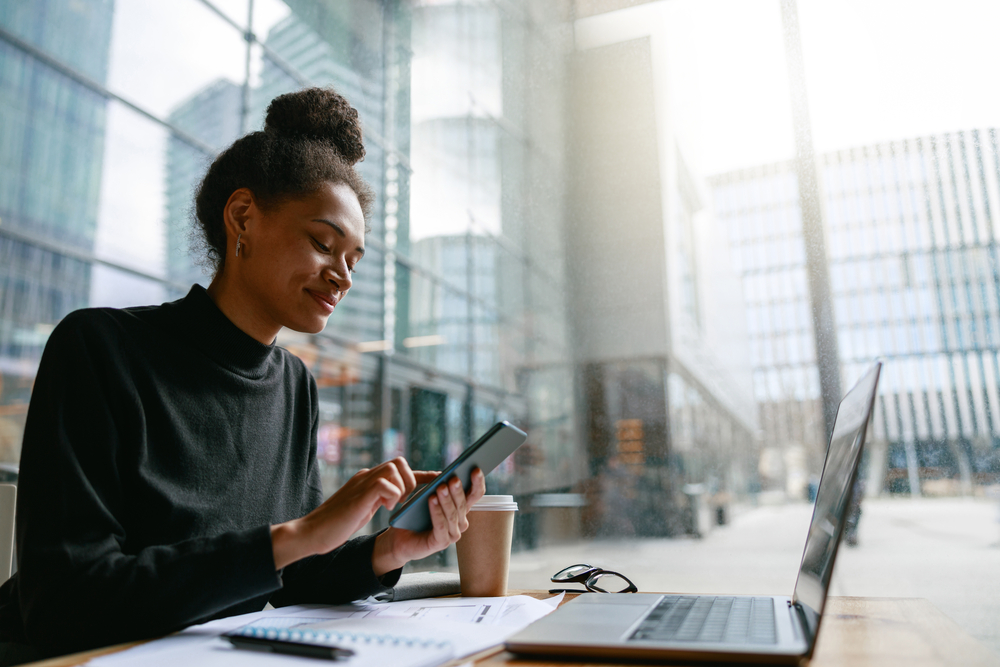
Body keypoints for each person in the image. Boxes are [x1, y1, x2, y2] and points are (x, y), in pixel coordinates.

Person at [0, 87, 486, 664]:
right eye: (323, 244)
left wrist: (387, 549)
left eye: (353, 260)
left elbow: (289, 574)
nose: (343, 277)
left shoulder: (296, 387)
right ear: (243, 218)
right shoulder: (100, 349)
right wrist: (300, 535)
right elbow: (65, 603)